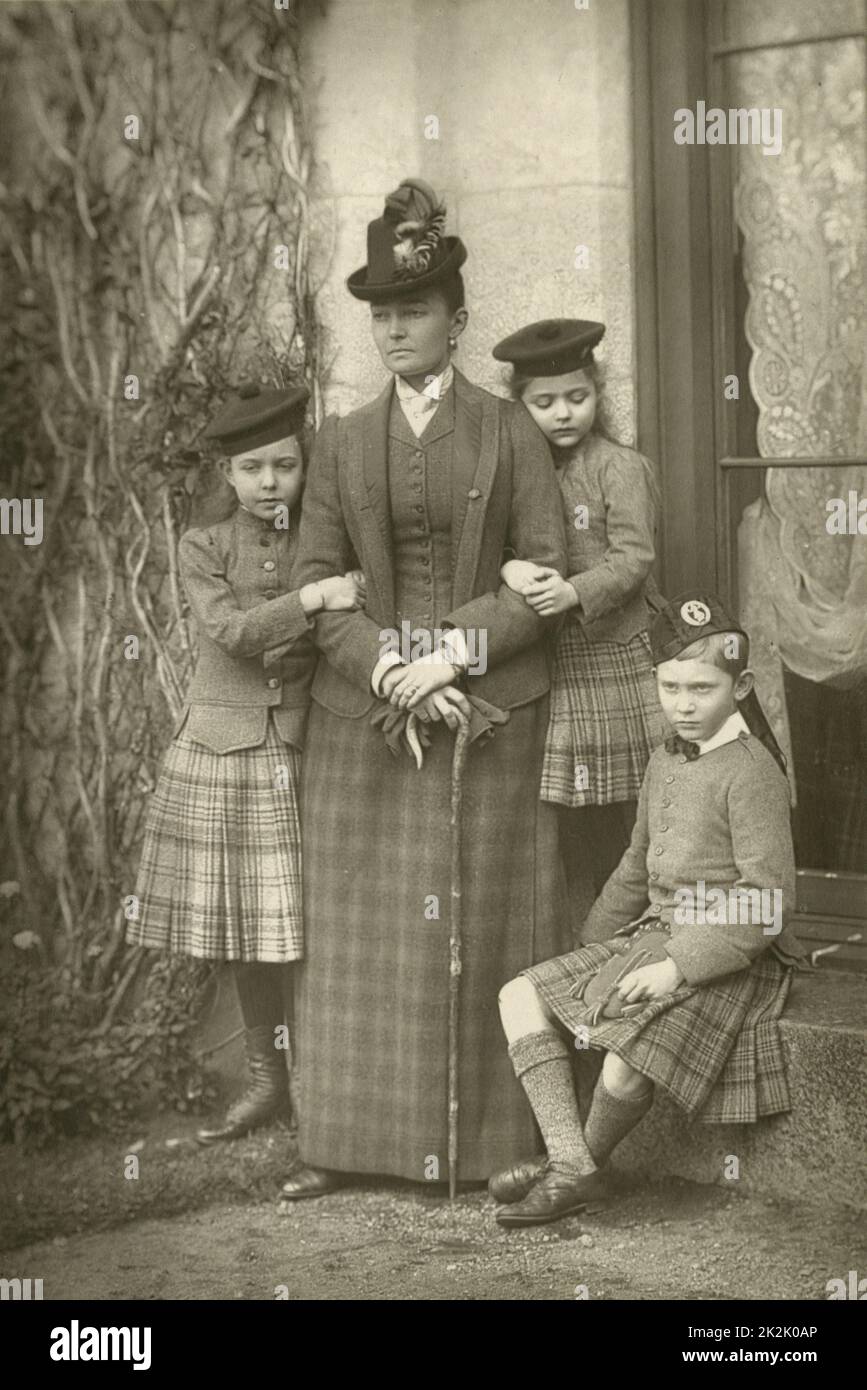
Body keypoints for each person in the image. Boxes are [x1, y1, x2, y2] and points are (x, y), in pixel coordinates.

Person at [282, 177, 569, 1199]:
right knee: (371, 938)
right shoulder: (343, 442)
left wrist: (453, 653)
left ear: (457, 317)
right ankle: (350, 1144)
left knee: (486, 928)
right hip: (367, 719)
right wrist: (396, 667)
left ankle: (504, 1147)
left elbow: (545, 574)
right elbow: (317, 592)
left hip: (490, 713)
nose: (396, 328)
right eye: (382, 314)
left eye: (415, 310)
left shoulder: (511, 432)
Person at [490, 591, 806, 1227]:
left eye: (702, 689)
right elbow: (637, 865)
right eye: (670, 688)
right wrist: (591, 948)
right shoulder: (663, 758)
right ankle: (572, 1162)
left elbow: (769, 900)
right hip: (652, 933)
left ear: (741, 687)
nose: (684, 706)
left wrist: (677, 967)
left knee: (626, 1058)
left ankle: (572, 1167)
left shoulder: (752, 773)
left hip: (726, 953)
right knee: (518, 995)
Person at [128, 382, 364, 1158]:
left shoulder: (324, 544)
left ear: (306, 467)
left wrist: (323, 589)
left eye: (286, 467)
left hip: (306, 742)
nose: (271, 483)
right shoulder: (203, 547)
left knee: (307, 922)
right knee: (237, 923)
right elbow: (230, 632)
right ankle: (264, 1081)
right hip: (223, 747)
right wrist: (313, 598)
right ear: (228, 476)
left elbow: (343, 616)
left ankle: (316, 1083)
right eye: (254, 468)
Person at [493, 319, 666, 911]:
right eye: (543, 402)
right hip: (555, 662)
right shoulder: (519, 473)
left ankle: (642, 923)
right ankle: (586, 934)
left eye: (577, 397)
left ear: (598, 394)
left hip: (615, 655)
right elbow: (501, 544)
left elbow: (634, 558)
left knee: (630, 805)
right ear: (521, 406)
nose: (562, 413)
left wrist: (574, 593)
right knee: (571, 806)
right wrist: (510, 570)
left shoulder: (618, 465)